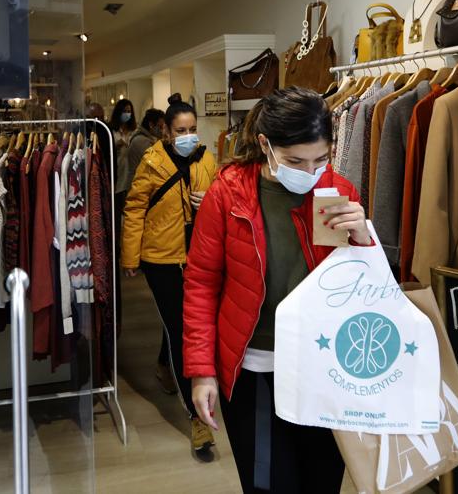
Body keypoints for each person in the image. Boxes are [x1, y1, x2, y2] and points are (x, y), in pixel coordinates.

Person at [183, 87, 371, 492]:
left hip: (324, 368)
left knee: (321, 480)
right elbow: (200, 282)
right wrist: (202, 371)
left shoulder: (336, 194)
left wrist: (363, 238)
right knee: (268, 482)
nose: (310, 170)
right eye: (295, 161)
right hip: (255, 369)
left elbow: (360, 289)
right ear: (265, 145)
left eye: (320, 158)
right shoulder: (229, 194)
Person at [121, 99, 219, 460]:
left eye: (193, 129)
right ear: (166, 130)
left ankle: (165, 365)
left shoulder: (208, 160)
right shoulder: (152, 162)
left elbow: (220, 203)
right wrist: (130, 257)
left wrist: (207, 201)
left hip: (200, 256)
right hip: (161, 258)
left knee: (183, 320)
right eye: (181, 130)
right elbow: (134, 210)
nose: (189, 136)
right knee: (180, 328)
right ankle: (197, 420)